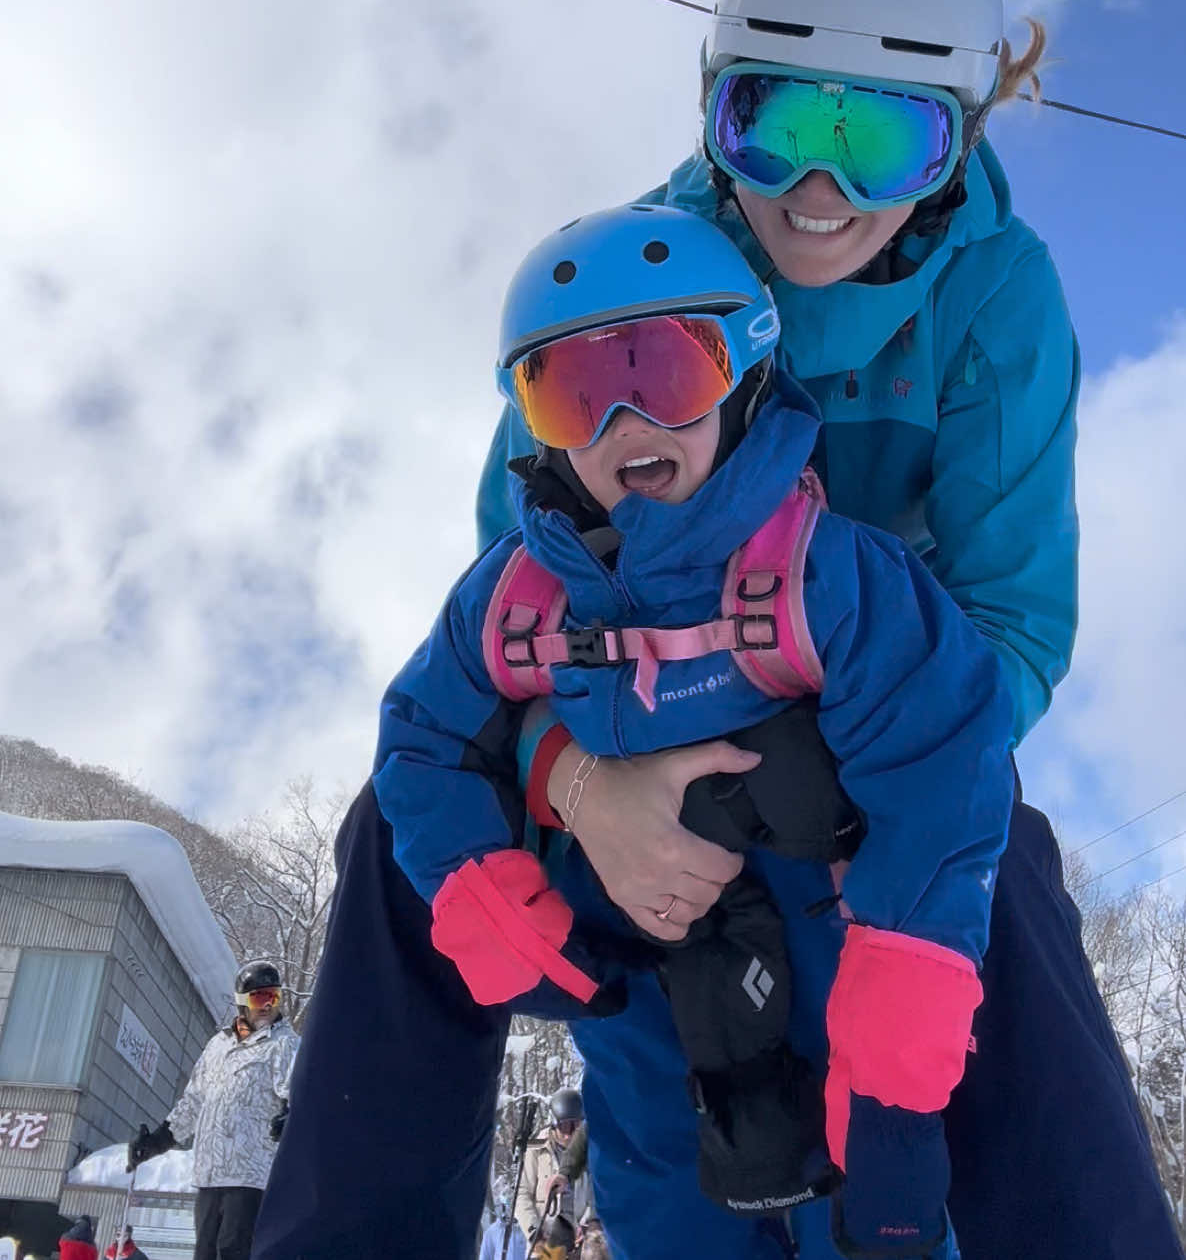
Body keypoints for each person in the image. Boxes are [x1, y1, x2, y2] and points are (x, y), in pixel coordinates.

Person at [252, 0, 1179, 1260]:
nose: (818, 191)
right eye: (779, 125)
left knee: (1008, 864)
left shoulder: (994, 298)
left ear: (958, 140)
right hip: (617, 726)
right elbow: (513, 593)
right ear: (712, 109)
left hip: (862, 745)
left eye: (879, 139)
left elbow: (1010, 626)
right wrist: (586, 784)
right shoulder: (616, 297)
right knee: (398, 839)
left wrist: (822, 764)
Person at [373, 199, 1016, 1256]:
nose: (627, 424)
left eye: (668, 373)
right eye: (573, 393)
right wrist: (490, 899)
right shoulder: (519, 598)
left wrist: (904, 978)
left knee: (871, 1195)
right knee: (661, 1195)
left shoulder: (820, 570)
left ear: (743, 374)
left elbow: (943, 750)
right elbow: (420, 739)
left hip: (828, 947)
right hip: (637, 955)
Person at [127, 959, 298, 1260]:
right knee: (204, 1253)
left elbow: (298, 1092)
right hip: (210, 1172)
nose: (267, 1005)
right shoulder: (218, 1045)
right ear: (242, 1002)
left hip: (250, 1172)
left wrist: (291, 1118)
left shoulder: (284, 1044)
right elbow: (193, 1101)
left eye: (274, 996)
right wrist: (156, 1141)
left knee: (233, 1249)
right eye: (260, 997)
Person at [514, 1091, 590, 1241]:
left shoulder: (591, 1151)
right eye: (564, 1127)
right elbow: (522, 1193)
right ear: (554, 1124)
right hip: (545, 1239)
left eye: (575, 1126)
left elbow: (600, 1193)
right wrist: (533, 1230)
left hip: (580, 1239)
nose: (569, 1134)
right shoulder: (537, 1148)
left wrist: (588, 1224)